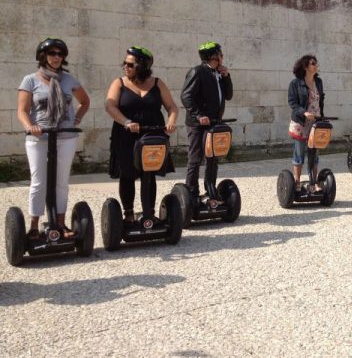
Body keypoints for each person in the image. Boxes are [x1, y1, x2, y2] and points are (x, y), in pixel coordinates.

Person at [17, 38, 90, 239]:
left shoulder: (69, 79)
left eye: (60, 54)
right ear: (43, 56)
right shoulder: (30, 80)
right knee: (38, 181)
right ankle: (34, 226)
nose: (56, 57)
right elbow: (22, 110)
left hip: (65, 136)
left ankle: (60, 223)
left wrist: (76, 119)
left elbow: (85, 101)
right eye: (52, 54)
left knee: (61, 182)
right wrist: (30, 127)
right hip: (38, 138)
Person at [106, 46, 178, 223]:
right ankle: (128, 214)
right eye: (124, 63)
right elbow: (110, 106)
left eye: (130, 64)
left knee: (150, 172)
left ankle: (149, 213)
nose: (126, 66)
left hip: (152, 134)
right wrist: (126, 122)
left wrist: (171, 121)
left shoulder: (157, 83)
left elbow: (172, 107)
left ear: (142, 66)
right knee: (127, 173)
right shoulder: (119, 83)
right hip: (126, 135)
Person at [181, 41, 233, 199]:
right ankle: (191, 193)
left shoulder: (219, 73)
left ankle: (210, 191)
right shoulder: (197, 71)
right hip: (198, 124)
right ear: (214, 56)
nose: (222, 58)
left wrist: (226, 77)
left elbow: (229, 95)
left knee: (212, 157)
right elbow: (186, 96)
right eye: (220, 55)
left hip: (215, 123)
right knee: (195, 159)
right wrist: (199, 115)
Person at [287, 54, 324, 191]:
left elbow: (321, 101)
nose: (316, 65)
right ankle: (296, 182)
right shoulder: (295, 83)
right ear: (305, 66)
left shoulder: (318, 82)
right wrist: (304, 112)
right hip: (301, 123)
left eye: (316, 63)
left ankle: (314, 182)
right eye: (313, 63)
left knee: (314, 152)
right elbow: (293, 103)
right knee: (300, 153)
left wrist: (321, 117)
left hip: (315, 122)